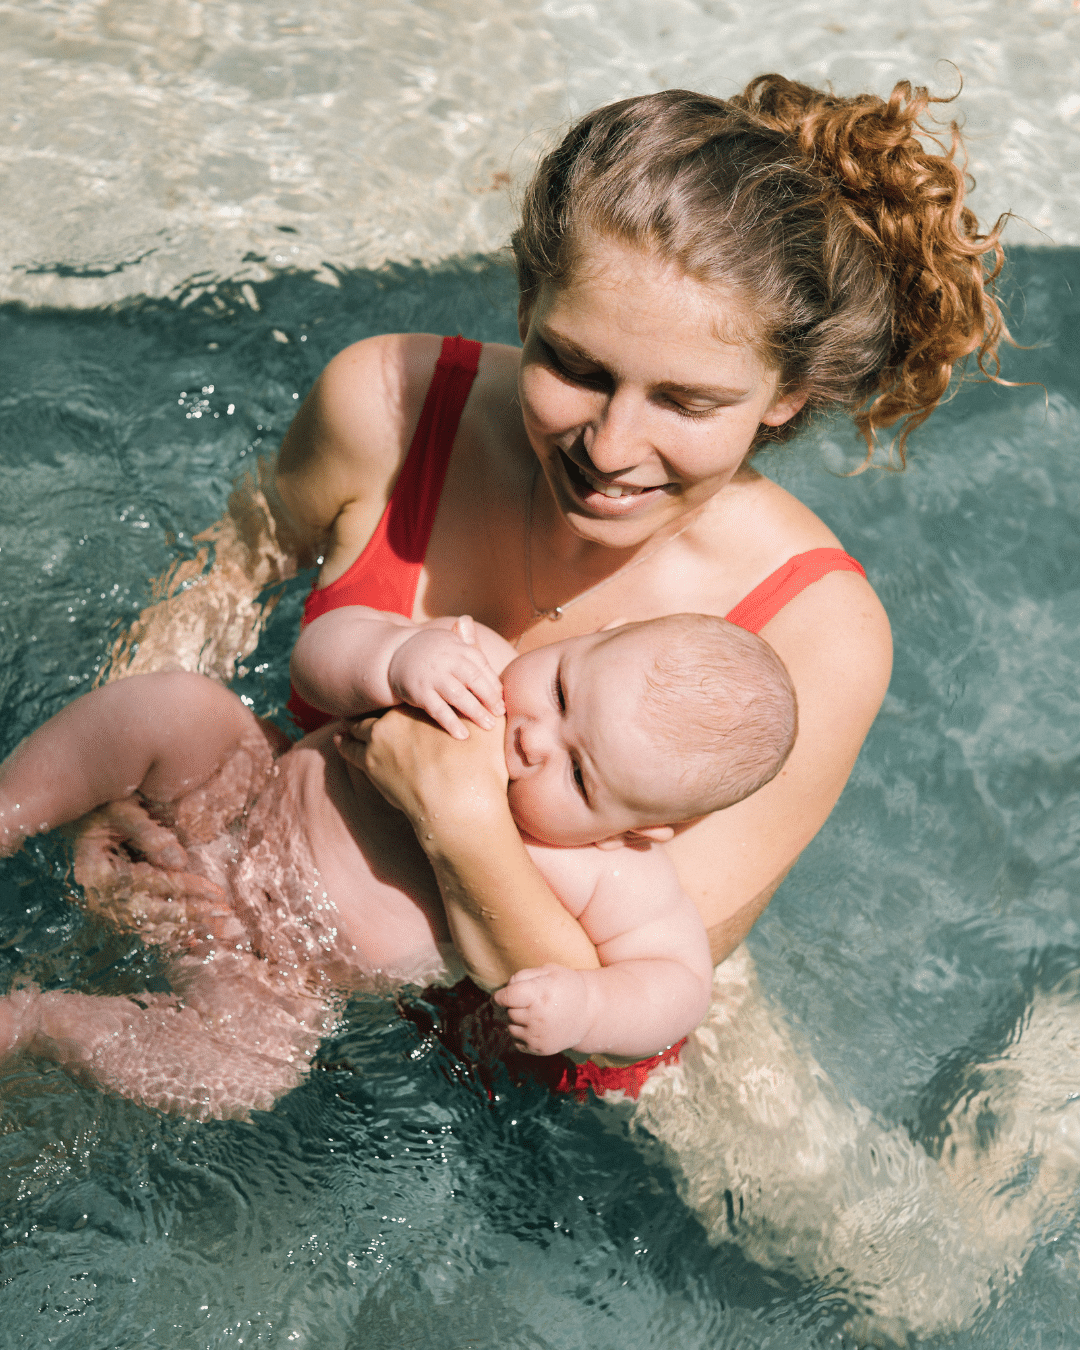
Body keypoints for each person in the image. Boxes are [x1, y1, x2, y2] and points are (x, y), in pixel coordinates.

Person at [100, 75, 1016, 1333]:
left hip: (584, 989)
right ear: (525, 301)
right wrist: (134, 813)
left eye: (689, 404)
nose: (611, 445)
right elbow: (228, 576)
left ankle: (1046, 1105)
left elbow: (620, 1014)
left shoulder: (813, 630)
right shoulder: (389, 407)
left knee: (927, 1296)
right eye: (575, 367)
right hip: (281, 862)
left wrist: (456, 814)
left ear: (786, 397)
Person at [0, 606, 796, 1114]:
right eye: (558, 687)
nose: (533, 736)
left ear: (647, 830)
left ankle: (35, 1020)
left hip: (279, 969)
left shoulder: (610, 870)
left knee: (250, 1072)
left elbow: (679, 985)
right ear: (578, 637)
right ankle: (12, 809)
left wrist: (590, 1010)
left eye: (579, 773)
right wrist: (394, 657)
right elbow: (318, 652)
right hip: (235, 797)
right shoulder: (469, 665)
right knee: (173, 706)